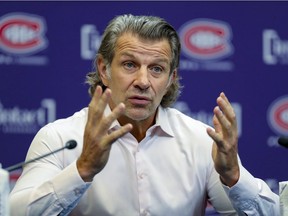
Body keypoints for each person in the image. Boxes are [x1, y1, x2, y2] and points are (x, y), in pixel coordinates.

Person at [9, 14, 279, 216]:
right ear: (104, 69)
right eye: (129, 64)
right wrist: (83, 170)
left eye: (157, 69)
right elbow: (15, 212)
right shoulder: (59, 137)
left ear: (171, 78)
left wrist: (232, 175)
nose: (142, 81)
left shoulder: (201, 140)